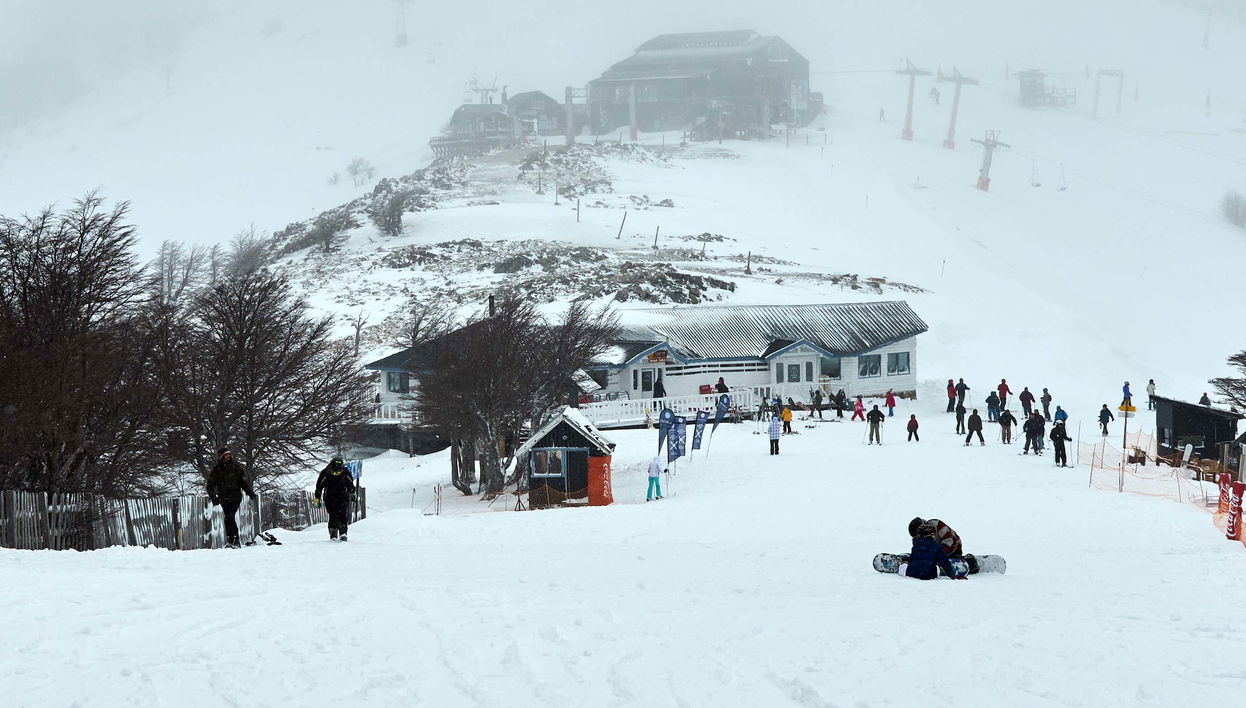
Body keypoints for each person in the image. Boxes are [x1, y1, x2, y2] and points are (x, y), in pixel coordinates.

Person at [206, 449, 256, 549]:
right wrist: (213, 497)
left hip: (235, 497)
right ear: (221, 457)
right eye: (225, 456)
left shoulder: (236, 468)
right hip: (224, 498)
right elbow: (210, 485)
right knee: (228, 518)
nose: (228, 457)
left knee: (230, 516)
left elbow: (243, 483)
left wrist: (250, 493)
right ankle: (231, 539)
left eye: (229, 455)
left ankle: (235, 539)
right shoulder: (217, 470)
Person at [900, 519, 966, 580]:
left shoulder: (939, 527)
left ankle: (904, 563)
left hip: (952, 552)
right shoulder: (929, 542)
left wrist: (934, 557)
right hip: (934, 556)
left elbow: (949, 545)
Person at [314, 456, 356, 541]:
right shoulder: (326, 473)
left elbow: (350, 484)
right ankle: (333, 533)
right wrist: (317, 499)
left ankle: (343, 533)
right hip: (330, 498)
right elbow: (319, 486)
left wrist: (353, 493)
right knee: (333, 515)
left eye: (340, 465)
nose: (338, 468)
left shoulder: (345, 472)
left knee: (342, 515)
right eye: (336, 465)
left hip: (342, 497)